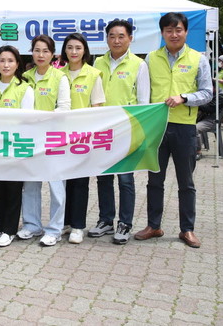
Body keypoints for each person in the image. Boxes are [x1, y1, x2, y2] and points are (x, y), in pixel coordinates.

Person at [134, 12, 212, 248]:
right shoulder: (151, 58)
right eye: (169, 30)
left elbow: (207, 93)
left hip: (184, 128)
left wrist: (185, 97)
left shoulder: (198, 59)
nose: (174, 34)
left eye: (178, 30)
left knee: (186, 182)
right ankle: (153, 226)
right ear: (162, 33)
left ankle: (187, 229)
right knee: (154, 180)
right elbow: (143, 92)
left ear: (186, 32)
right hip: (157, 127)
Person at [91, 20, 150, 245]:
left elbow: (143, 102)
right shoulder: (98, 62)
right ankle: (105, 220)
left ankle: (125, 223)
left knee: (125, 180)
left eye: (121, 36)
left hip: (127, 130)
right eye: (112, 36)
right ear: (106, 38)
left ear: (130, 39)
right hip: (103, 130)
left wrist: (140, 133)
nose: (116, 40)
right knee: (103, 178)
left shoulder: (139, 64)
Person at [18, 35, 70, 247]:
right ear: (32, 52)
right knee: (30, 184)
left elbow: (64, 107)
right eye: (37, 50)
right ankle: (32, 225)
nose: (41, 55)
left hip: (53, 138)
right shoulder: (25, 77)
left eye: (45, 51)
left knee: (56, 186)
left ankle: (55, 229)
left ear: (53, 54)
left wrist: (42, 119)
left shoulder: (60, 77)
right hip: (31, 139)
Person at [0, 45, 34, 247]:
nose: (6, 65)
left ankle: (10, 230)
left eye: (10, 61)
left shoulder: (24, 88)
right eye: (2, 61)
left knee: (13, 189)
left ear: (17, 64)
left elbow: (27, 120)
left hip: (15, 146)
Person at [60, 33, 106, 245]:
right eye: (70, 47)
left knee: (80, 182)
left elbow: (97, 107)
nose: (74, 52)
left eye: (78, 48)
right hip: (60, 137)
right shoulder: (58, 74)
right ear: (64, 50)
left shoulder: (93, 74)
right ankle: (65, 222)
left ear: (85, 51)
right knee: (63, 182)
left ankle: (78, 226)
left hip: (83, 137)